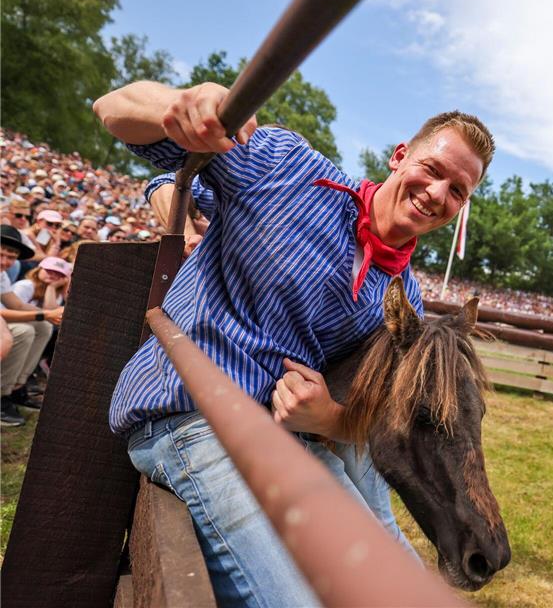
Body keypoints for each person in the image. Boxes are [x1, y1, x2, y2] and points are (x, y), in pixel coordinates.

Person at [93, 80, 492, 607]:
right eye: (433, 170)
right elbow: (113, 109)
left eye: (458, 190)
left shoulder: (405, 304)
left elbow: (375, 422)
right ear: (400, 157)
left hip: (286, 444)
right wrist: (185, 104)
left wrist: (328, 417)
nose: (438, 193)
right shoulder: (289, 169)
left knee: (369, 587)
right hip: (192, 419)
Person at [1, 225, 64, 426]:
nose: (5, 261)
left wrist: (47, 316)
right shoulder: (25, 284)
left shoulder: (2, 274)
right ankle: (1, 393)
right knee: (24, 330)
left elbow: (16, 304)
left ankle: (17, 387)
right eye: (1, 254)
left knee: (43, 327)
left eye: (11, 257)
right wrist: (44, 314)